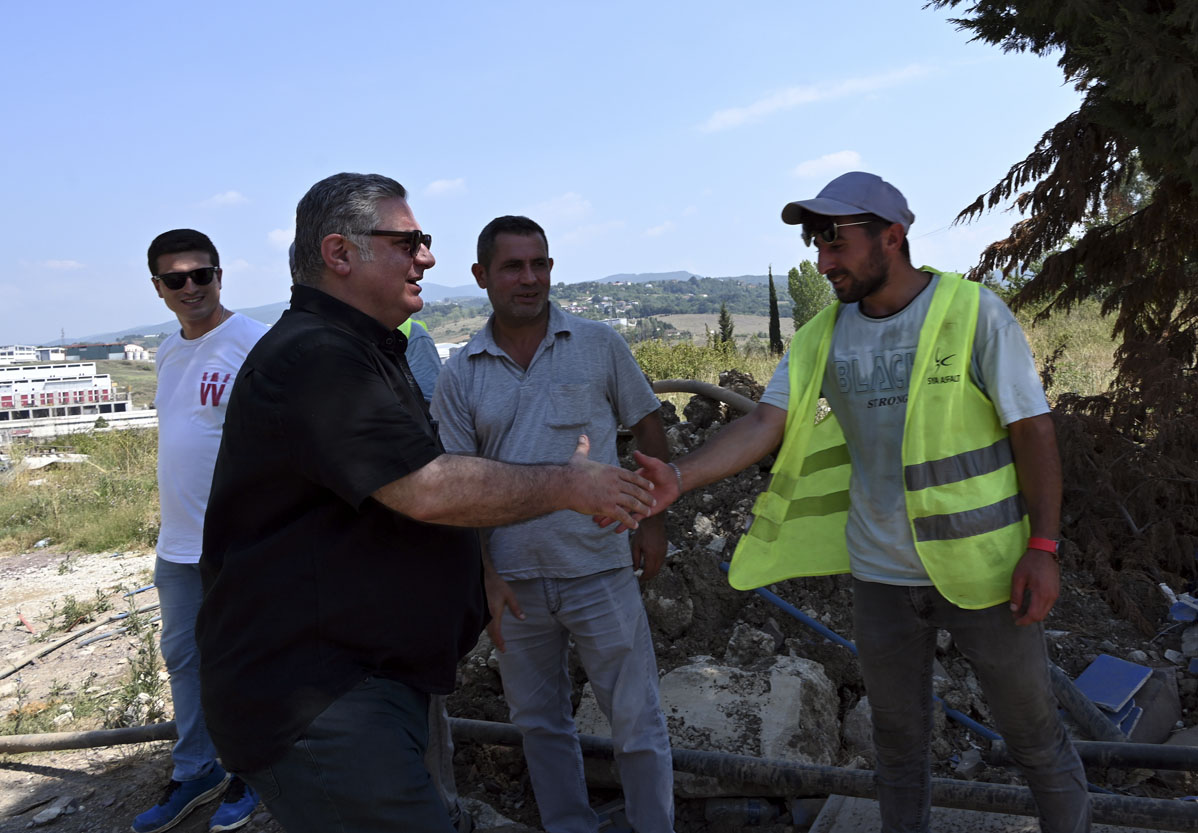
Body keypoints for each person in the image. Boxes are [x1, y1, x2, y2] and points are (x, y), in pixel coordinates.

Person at [616, 172, 1090, 833]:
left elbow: (1032, 429)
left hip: (986, 569)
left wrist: (1043, 547)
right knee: (897, 747)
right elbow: (765, 423)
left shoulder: (973, 313)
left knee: (1034, 737)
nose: (822, 261)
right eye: (816, 244)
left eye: (835, 241)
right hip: (881, 575)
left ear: (891, 237)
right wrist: (678, 475)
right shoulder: (822, 336)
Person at [195, 173, 658, 833]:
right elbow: (429, 486)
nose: (427, 257)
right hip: (322, 699)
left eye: (425, 241)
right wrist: (569, 484)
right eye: (408, 242)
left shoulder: (362, 351)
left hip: (359, 685)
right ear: (340, 253)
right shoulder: (316, 358)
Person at [432, 216, 675, 833]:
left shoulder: (597, 343)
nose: (530, 278)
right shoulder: (461, 372)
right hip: (514, 583)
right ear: (481, 276)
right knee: (539, 725)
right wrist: (486, 577)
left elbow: (648, 425)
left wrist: (652, 521)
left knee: (636, 721)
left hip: (599, 566)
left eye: (539, 264)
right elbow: (458, 486)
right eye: (513, 266)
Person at [135, 229, 266, 833]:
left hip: (238, 542)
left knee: (243, 659)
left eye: (201, 274)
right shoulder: (167, 352)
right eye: (176, 279)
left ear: (219, 275)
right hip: (178, 544)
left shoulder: (254, 343)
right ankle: (196, 770)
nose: (191, 287)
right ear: (159, 288)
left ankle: (253, 770)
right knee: (184, 659)